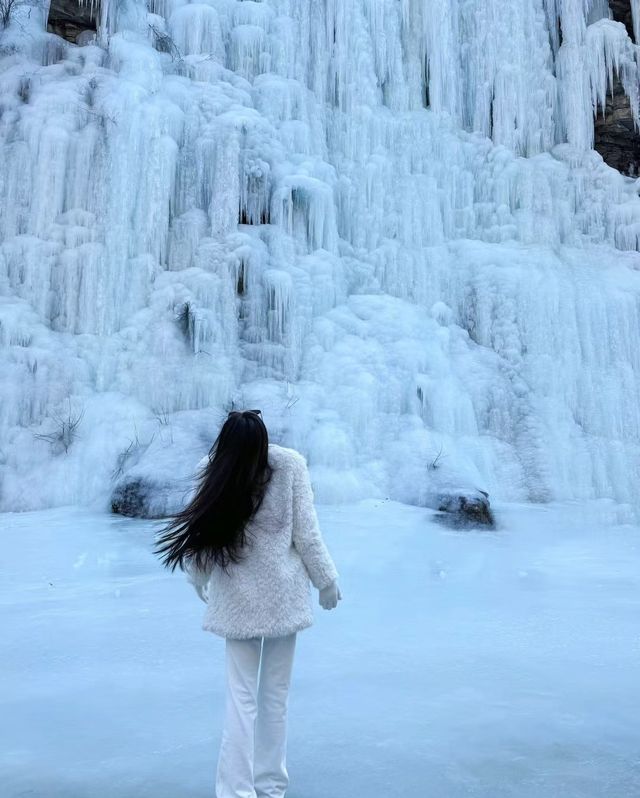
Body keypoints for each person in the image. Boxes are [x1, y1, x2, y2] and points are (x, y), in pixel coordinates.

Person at [155, 409, 341, 798]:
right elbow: (307, 534)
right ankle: (270, 786)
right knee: (275, 696)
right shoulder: (289, 465)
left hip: (237, 599)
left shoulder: (216, 468)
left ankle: (236, 791)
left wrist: (198, 577)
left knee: (240, 699)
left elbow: (204, 532)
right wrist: (327, 581)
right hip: (282, 598)